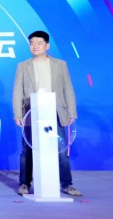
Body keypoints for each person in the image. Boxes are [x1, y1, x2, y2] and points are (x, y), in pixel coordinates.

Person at [12, 30, 82, 197]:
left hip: (55, 112)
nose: (35, 46)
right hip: (31, 113)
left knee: (61, 150)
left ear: (47, 46)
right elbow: (17, 91)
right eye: (32, 43)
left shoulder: (60, 65)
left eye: (39, 43)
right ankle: (24, 183)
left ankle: (67, 184)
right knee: (27, 150)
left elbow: (68, 88)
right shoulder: (23, 66)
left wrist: (71, 111)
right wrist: (18, 114)